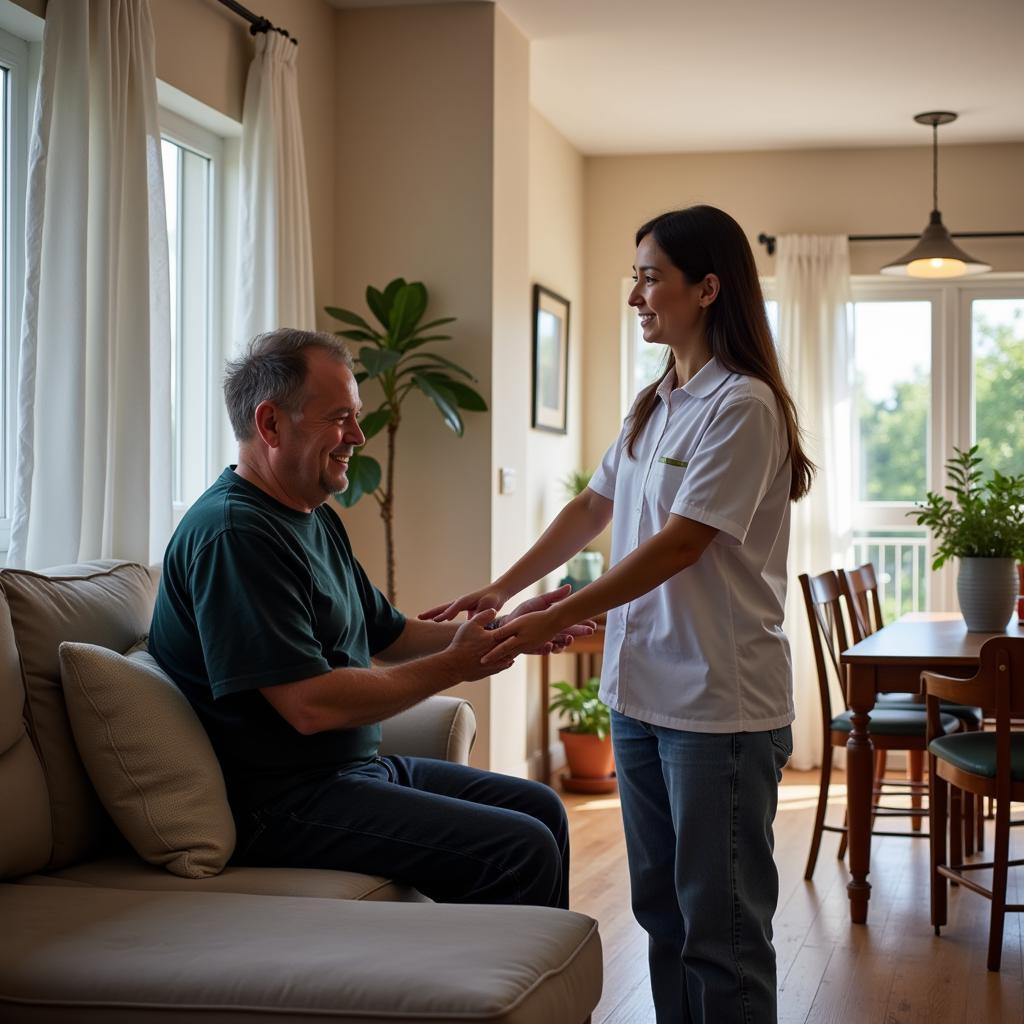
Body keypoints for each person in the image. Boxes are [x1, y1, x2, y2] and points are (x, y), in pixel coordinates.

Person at [423, 205, 814, 1023]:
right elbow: (592, 509)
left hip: (717, 709)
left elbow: (678, 547)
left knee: (723, 932)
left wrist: (551, 616)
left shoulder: (741, 407)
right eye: (634, 276)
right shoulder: (655, 402)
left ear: (707, 289)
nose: (637, 294)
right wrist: (503, 588)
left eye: (650, 276)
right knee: (663, 917)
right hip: (638, 700)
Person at [148, 327, 593, 909]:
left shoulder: (309, 513)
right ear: (270, 424)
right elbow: (310, 706)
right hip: (276, 802)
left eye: (356, 416)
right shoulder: (235, 534)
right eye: (340, 418)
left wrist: (507, 630)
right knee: (520, 847)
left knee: (540, 808)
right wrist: (454, 666)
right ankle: (478, 999)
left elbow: (393, 634)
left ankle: (540, 1000)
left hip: (349, 775)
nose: (358, 436)